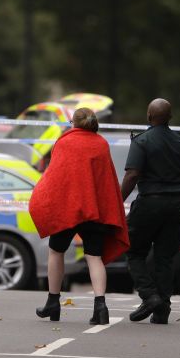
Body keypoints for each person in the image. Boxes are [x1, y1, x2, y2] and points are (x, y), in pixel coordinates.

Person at [29, 108, 129, 325]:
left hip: (68, 209)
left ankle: (53, 303)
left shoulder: (64, 142)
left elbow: (55, 178)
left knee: (56, 251)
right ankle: (100, 306)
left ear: (73, 123)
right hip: (94, 210)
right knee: (94, 257)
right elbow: (106, 180)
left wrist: (40, 197)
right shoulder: (101, 144)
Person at [121, 98, 180, 324]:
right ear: (170, 117)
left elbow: (132, 175)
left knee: (134, 251)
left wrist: (116, 201)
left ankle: (149, 296)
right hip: (175, 206)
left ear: (149, 116)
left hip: (149, 203)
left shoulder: (141, 142)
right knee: (165, 257)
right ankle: (162, 309)